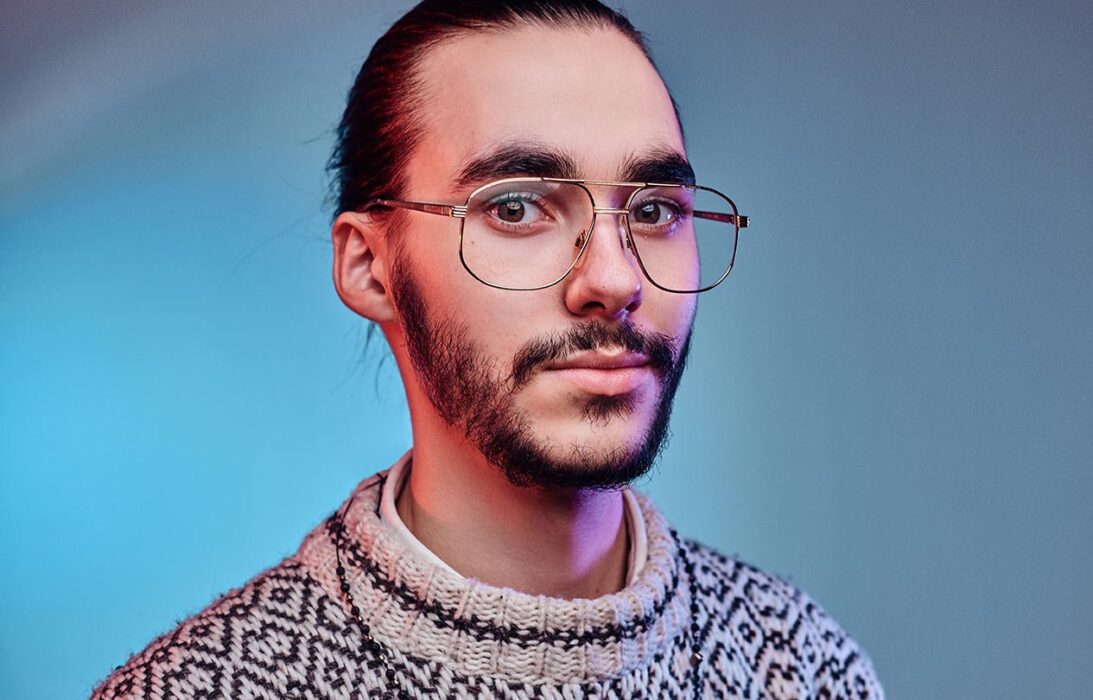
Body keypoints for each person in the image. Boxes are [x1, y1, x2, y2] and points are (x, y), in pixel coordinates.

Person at [92, 2, 883, 698]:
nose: (614, 279)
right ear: (370, 267)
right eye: (515, 207)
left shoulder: (800, 666)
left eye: (652, 210)